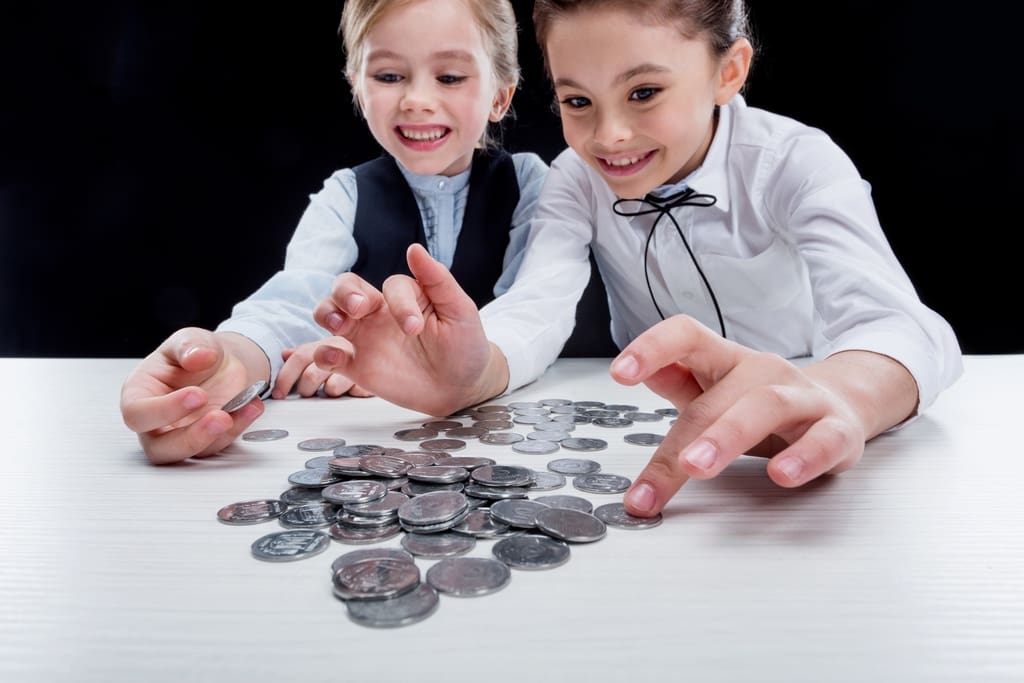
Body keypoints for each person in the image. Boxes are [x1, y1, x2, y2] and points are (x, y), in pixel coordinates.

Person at [309, 0, 964, 517]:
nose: (609, 136)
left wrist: (839, 393)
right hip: (655, 442)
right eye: (577, 102)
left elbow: (902, 327)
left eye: (644, 92)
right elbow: (537, 303)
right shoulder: (574, 180)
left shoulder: (795, 161)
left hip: (806, 447)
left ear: (728, 71)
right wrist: (471, 369)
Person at [119, 0, 548, 464]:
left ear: (501, 96)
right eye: (388, 76)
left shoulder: (529, 184)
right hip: (377, 440)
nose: (416, 100)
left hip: (506, 434)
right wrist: (229, 358)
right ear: (358, 89)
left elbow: (530, 307)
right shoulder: (346, 194)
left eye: (449, 77)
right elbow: (290, 302)